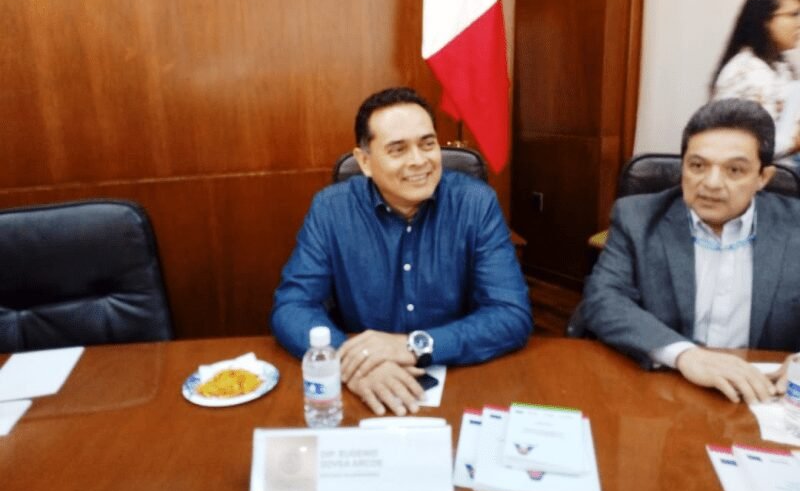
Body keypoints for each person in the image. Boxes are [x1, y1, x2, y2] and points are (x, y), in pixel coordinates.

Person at [271, 86, 532, 416]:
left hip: (459, 376)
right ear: (365, 162)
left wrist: (414, 346)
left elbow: (511, 314)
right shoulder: (331, 210)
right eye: (398, 149)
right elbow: (292, 306)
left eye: (428, 144)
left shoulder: (475, 203)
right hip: (367, 386)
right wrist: (353, 359)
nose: (419, 161)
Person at [575, 99, 800, 404]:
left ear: (763, 177)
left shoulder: (794, 226)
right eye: (697, 166)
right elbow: (603, 299)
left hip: (765, 396)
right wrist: (684, 355)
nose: (712, 183)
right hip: (664, 388)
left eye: (734, 170)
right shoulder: (637, 218)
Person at [711, 0, 800, 157]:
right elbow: (746, 146)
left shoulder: (781, 66)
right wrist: (795, 142)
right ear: (765, 21)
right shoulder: (746, 72)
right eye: (793, 15)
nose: (799, 23)